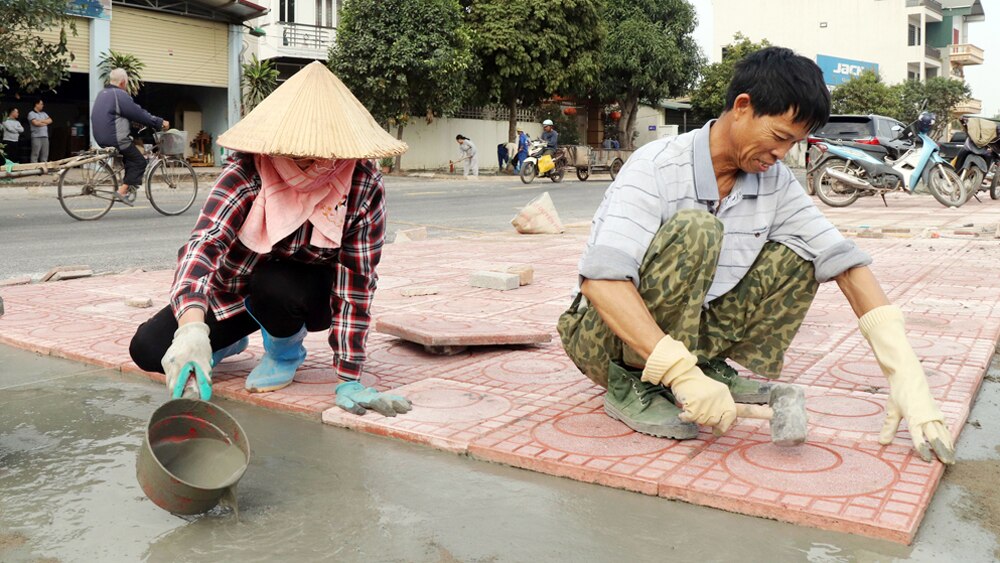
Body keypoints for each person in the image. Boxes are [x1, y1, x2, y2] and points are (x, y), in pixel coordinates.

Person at [557, 46, 954, 465]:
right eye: (781, 137)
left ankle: (704, 363)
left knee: (802, 256)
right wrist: (680, 373)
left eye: (795, 143)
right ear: (742, 107)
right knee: (698, 230)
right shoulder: (655, 166)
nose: (784, 153)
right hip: (603, 340)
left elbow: (843, 260)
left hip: (687, 333)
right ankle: (635, 381)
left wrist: (904, 371)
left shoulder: (774, 182)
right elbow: (602, 280)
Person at [128, 61, 412, 418]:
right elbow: (205, 243)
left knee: (275, 282)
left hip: (298, 295)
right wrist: (192, 330)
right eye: (298, 153)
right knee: (148, 349)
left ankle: (284, 351)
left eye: (322, 152)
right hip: (235, 289)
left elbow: (357, 279)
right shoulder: (248, 169)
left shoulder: (361, 182)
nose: (310, 162)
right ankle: (229, 341)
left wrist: (349, 374)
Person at [92, 68, 169, 204]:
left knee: (130, 157)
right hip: (115, 138)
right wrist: (159, 122)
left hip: (100, 137)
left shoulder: (102, 93)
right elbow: (138, 113)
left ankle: (126, 188)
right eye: (126, 83)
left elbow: (117, 116)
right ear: (123, 82)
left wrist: (135, 124)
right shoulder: (119, 95)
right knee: (139, 161)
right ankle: (122, 192)